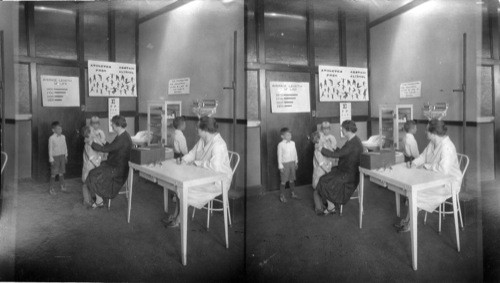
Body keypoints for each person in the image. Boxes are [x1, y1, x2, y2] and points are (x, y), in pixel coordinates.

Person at [395, 119, 463, 232]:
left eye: (427, 130)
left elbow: (443, 169)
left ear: (434, 133)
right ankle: (408, 222)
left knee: (417, 193)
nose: (425, 132)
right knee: (414, 190)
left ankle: (409, 224)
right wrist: (414, 163)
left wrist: (426, 166)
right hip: (435, 178)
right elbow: (423, 156)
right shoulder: (433, 143)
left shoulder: (447, 147)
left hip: (449, 183)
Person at [164, 116, 233, 228]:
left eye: (198, 128)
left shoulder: (219, 144)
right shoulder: (203, 140)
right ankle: (177, 214)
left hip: (218, 181)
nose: (196, 130)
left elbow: (214, 167)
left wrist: (197, 163)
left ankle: (178, 219)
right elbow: (192, 153)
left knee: (185, 189)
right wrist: (184, 159)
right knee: (180, 185)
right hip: (203, 175)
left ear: (205, 130)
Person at [313, 120, 363, 215]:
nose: (342, 131)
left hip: (349, 175)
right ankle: (331, 204)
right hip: (346, 170)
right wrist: (334, 147)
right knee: (325, 178)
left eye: (342, 129)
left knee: (324, 180)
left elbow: (337, 155)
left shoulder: (353, 143)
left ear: (347, 130)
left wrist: (321, 149)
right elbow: (343, 152)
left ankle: (331, 206)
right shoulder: (353, 140)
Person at [84, 115, 132, 209]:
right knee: (97, 170)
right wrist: (104, 141)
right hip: (115, 164)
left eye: (112, 124)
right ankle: (99, 197)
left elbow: (105, 149)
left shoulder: (123, 138)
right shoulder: (122, 135)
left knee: (93, 173)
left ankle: (99, 200)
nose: (111, 125)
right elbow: (113, 147)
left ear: (118, 125)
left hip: (118, 170)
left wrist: (91, 143)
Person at [81, 125, 102, 206]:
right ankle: (86, 200)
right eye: (93, 130)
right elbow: (91, 157)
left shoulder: (93, 140)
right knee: (86, 183)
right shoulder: (87, 143)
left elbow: (101, 146)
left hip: (94, 165)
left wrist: (97, 136)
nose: (95, 131)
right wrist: (97, 164)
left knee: (92, 181)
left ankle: (93, 198)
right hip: (89, 166)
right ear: (88, 133)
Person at [277, 127, 299, 203]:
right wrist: (280, 166)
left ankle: (292, 193)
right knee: (283, 181)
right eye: (287, 135)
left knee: (292, 179)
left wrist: (296, 162)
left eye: (290, 135)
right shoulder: (280, 145)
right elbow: (279, 156)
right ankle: (282, 195)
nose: (290, 136)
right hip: (285, 165)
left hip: (292, 163)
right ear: (282, 136)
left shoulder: (293, 143)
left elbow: (295, 153)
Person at [48, 121, 68, 195]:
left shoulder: (63, 137)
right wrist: (51, 159)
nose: (60, 130)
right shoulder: (51, 138)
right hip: (55, 158)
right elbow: (50, 149)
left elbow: (65, 146)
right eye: (58, 129)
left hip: (62, 157)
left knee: (61, 172)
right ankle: (51, 188)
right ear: (53, 130)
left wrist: (66, 155)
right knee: (53, 173)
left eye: (61, 128)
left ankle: (62, 186)